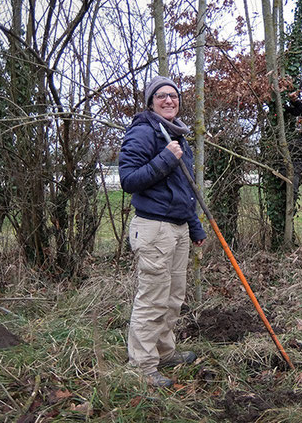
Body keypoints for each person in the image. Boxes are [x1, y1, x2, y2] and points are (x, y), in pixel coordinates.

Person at [119, 76, 207, 387]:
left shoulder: (176, 132)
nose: (169, 100)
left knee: (172, 298)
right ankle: (142, 366)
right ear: (150, 101)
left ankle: (164, 352)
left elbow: (185, 186)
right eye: (161, 96)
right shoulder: (143, 131)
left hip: (178, 227)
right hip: (154, 228)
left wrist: (194, 225)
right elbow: (128, 179)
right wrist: (166, 158)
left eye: (173, 95)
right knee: (153, 299)